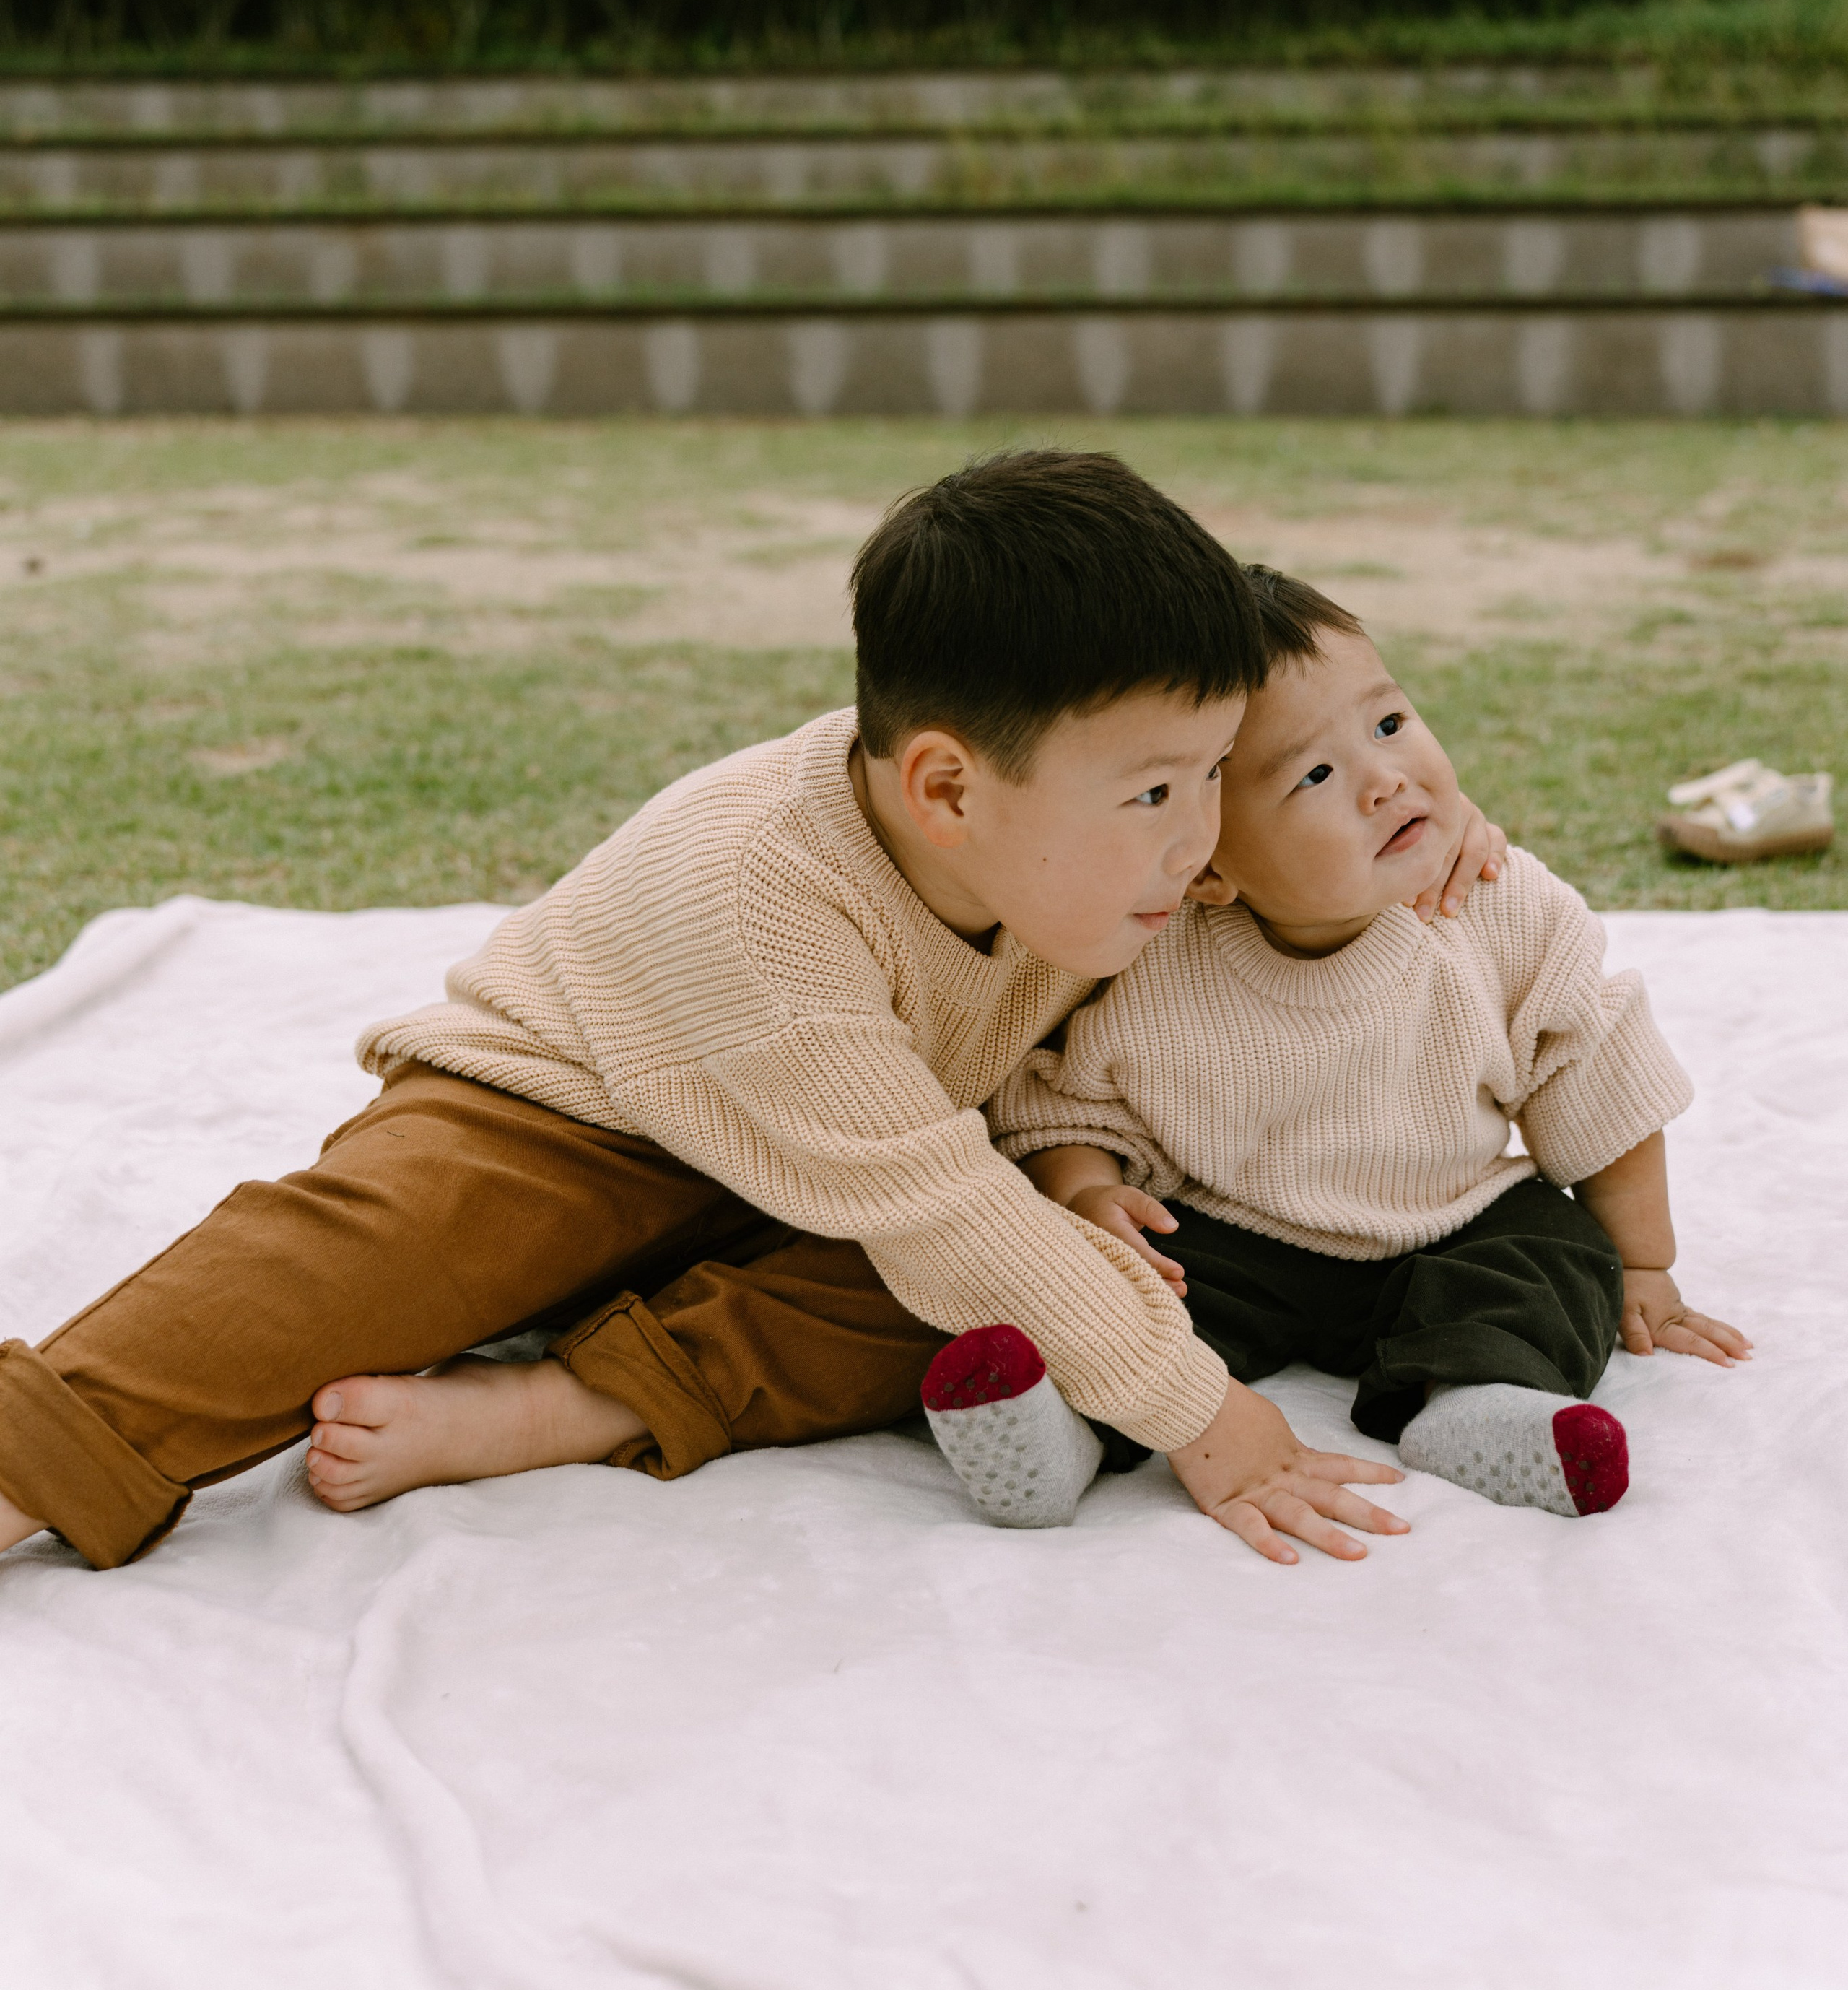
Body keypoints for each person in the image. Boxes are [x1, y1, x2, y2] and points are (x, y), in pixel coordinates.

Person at [0, 453, 1505, 1571]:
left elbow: (1277, 863)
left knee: (982, 1304)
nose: (1197, 841)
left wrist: (1431, 839)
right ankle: (26, 1458)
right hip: (570, 1115)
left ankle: (576, 1406)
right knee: (352, 1259)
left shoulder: (1096, 855)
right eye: (1154, 795)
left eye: (1209, 779)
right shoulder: (754, 899)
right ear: (944, 787)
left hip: (854, 1169)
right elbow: (949, 1210)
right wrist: (1214, 1425)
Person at [984, 569, 1750, 1565]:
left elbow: (1598, 1071)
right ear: (1209, 864)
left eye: (1388, 723)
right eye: (1311, 776)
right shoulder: (1157, 963)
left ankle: (1479, 1400)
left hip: (1451, 1214)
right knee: (1135, 1293)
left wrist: (1644, 1264)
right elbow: (1070, 1101)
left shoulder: (1491, 904)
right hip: (1237, 1227)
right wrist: (1087, 1191)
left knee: (1554, 1257)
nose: (1385, 778)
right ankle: (1068, 1427)